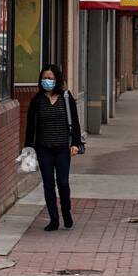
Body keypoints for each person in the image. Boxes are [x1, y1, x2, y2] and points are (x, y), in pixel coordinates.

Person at [23, 64, 83, 231]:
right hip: (44, 149)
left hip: (63, 148)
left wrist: (75, 143)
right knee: (48, 184)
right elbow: (31, 127)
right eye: (44, 78)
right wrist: (28, 149)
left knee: (63, 182)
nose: (46, 81)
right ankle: (53, 218)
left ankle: (66, 212)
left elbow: (75, 123)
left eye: (50, 78)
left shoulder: (66, 97)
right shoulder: (37, 100)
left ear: (56, 79)